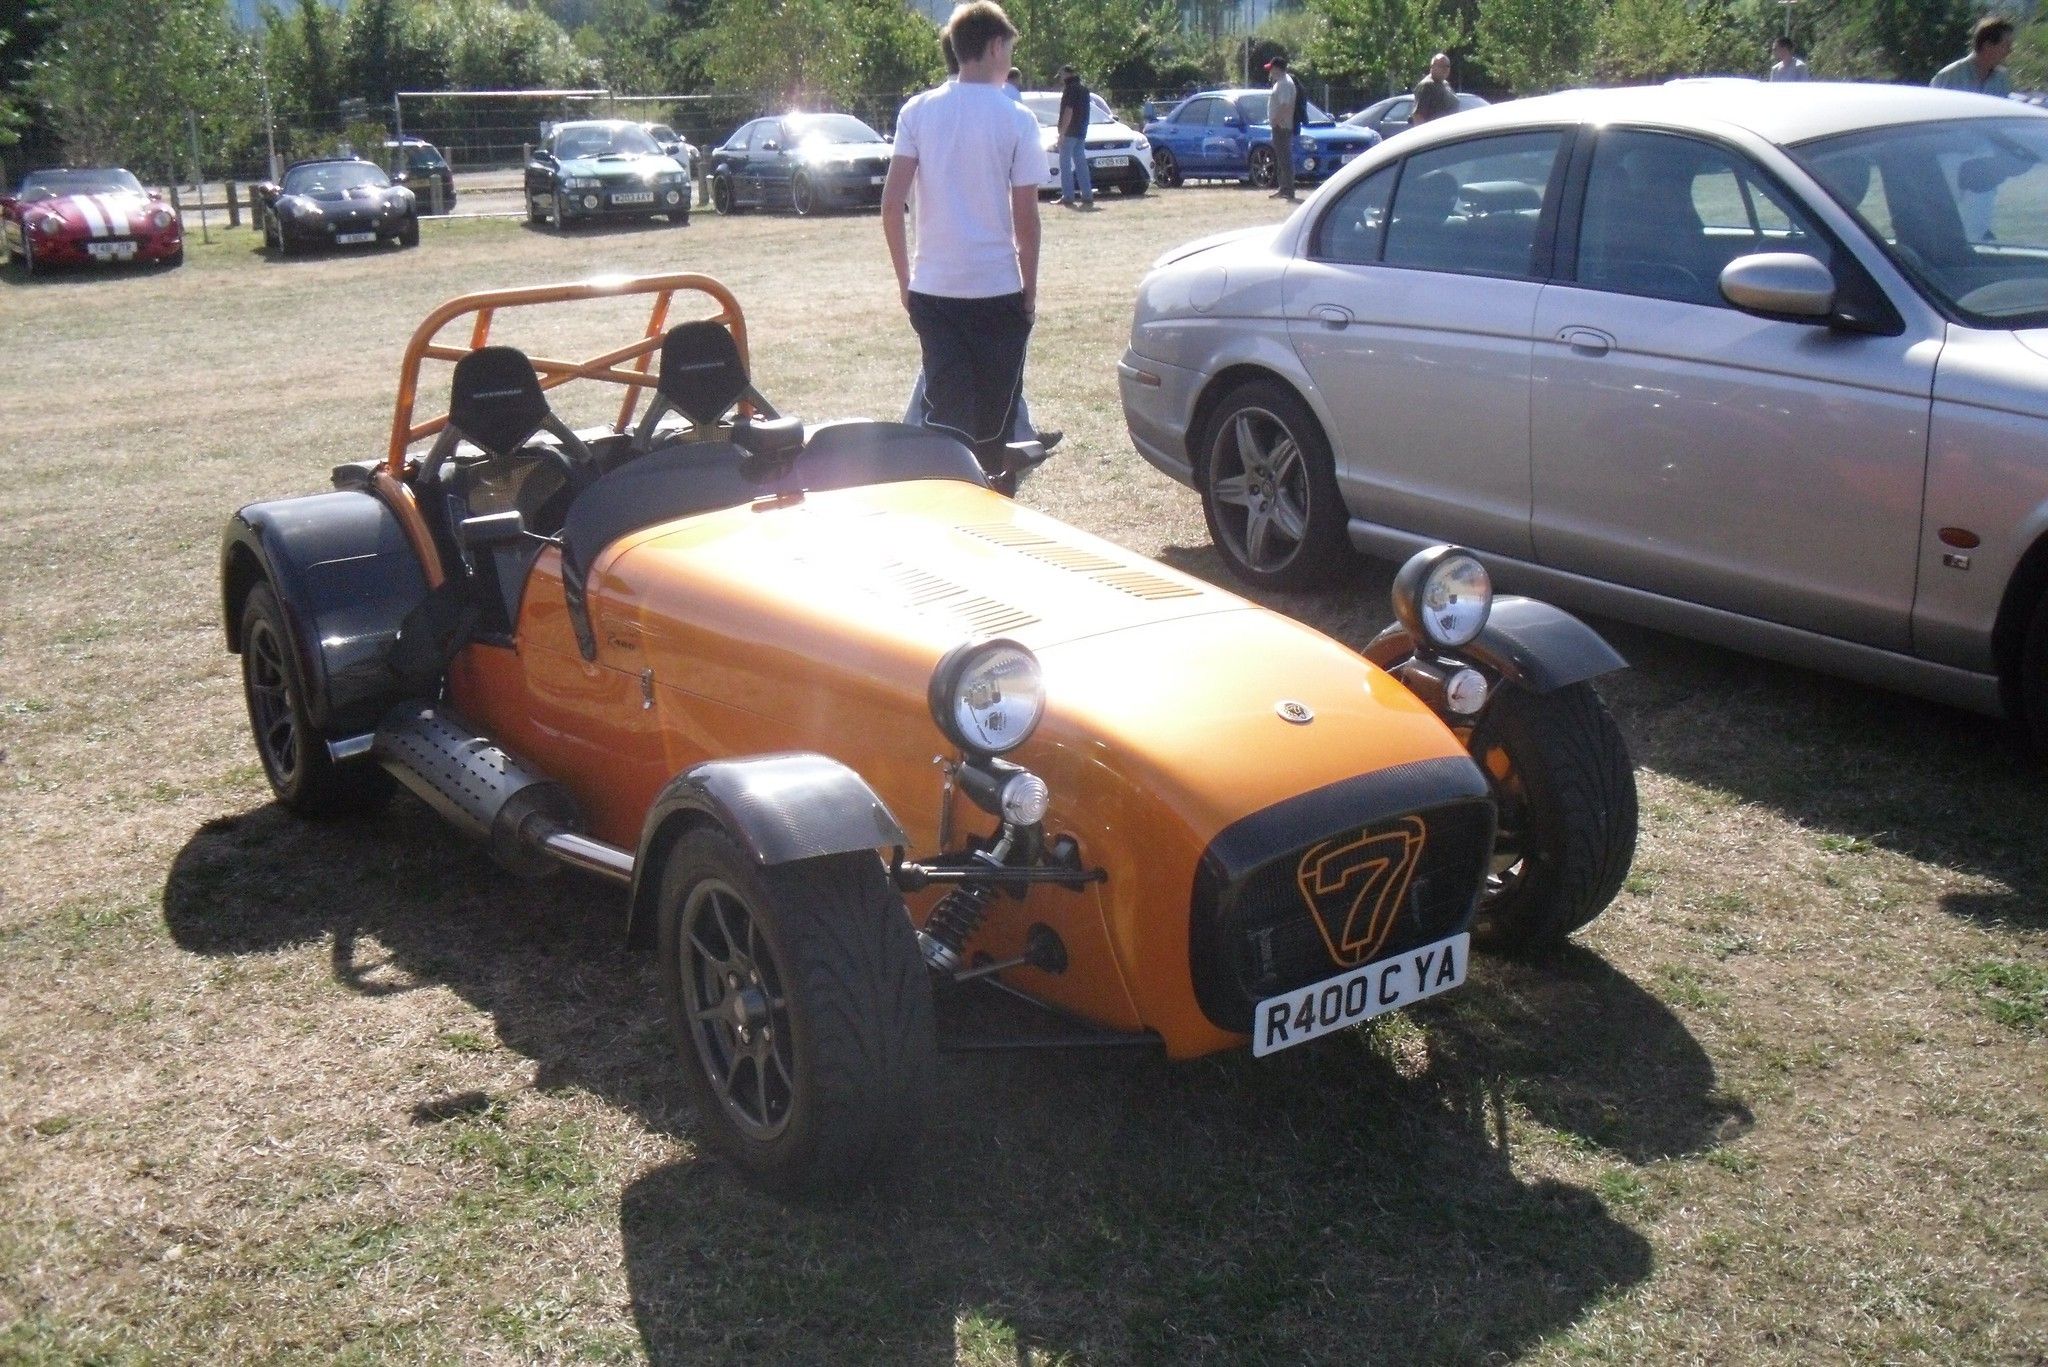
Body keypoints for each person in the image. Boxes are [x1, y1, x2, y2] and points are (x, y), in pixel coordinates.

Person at [882, 2, 1046, 491]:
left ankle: (950, 503)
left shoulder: (917, 111)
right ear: (995, 47)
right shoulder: (1017, 120)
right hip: (997, 290)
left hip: (935, 292)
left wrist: (906, 283)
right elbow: (1027, 220)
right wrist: (1030, 290)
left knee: (948, 420)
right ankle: (992, 507)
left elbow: (892, 207)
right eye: (1010, 49)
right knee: (993, 427)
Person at [1931, 16, 2016, 97]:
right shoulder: (1949, 76)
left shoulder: (2002, 79)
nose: (2009, 51)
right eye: (2006, 45)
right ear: (1987, 45)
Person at [1058, 64, 1095, 208]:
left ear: (1066, 74)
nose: (1061, 78)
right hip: (1081, 131)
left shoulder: (1070, 89)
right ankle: (1087, 195)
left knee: (1065, 164)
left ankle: (1068, 196)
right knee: (1081, 163)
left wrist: (1062, 133)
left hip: (1070, 132)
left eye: (1061, 75)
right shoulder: (1084, 89)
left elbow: (1068, 111)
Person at [1266, 54, 1300, 201]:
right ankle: (1283, 188)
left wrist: (1276, 120)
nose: (1270, 72)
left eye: (1271, 68)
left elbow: (1285, 105)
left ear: (1277, 68)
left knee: (1285, 158)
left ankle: (1288, 190)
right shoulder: (1281, 82)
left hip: (1282, 125)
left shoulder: (1285, 83)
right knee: (1281, 158)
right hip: (1280, 124)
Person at [1412, 52, 1458, 125]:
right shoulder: (1427, 85)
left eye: (1447, 66)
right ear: (1432, 67)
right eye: (1441, 66)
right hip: (1437, 133)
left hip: (1450, 130)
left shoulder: (1445, 84)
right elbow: (1418, 116)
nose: (1445, 69)